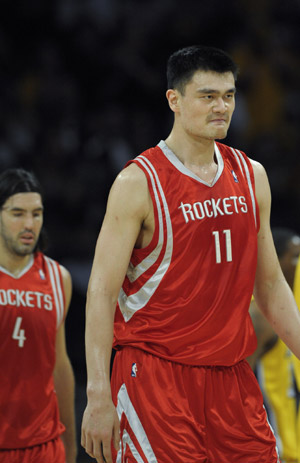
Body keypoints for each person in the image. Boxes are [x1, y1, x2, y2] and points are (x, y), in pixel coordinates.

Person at [81, 45, 300, 463]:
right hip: (156, 377)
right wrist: (97, 394)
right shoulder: (136, 183)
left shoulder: (252, 176)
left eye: (229, 95)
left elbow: (270, 284)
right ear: (174, 100)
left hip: (232, 377)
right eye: (208, 96)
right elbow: (101, 292)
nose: (222, 107)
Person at [0, 168, 77, 463]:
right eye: (17, 213)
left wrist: (69, 448)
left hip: (44, 447)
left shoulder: (59, 279)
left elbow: (59, 365)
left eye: (37, 213)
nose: (29, 223)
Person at [248, 227, 300, 462]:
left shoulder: (294, 301)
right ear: (275, 261)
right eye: (294, 257)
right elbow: (238, 383)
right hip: (278, 447)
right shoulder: (259, 314)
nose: (298, 264)